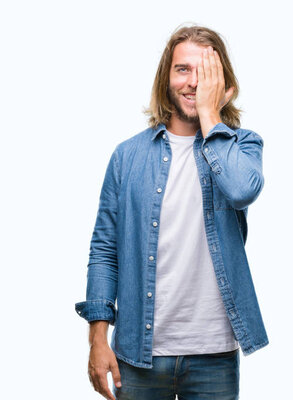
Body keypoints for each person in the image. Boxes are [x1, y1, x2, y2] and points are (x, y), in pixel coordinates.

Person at [75, 25, 269, 400]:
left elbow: (242, 189)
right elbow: (104, 251)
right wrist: (97, 340)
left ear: (223, 82)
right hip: (137, 353)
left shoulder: (242, 146)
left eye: (205, 71)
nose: (193, 82)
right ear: (166, 76)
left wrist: (212, 116)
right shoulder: (127, 156)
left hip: (214, 355)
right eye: (182, 69)